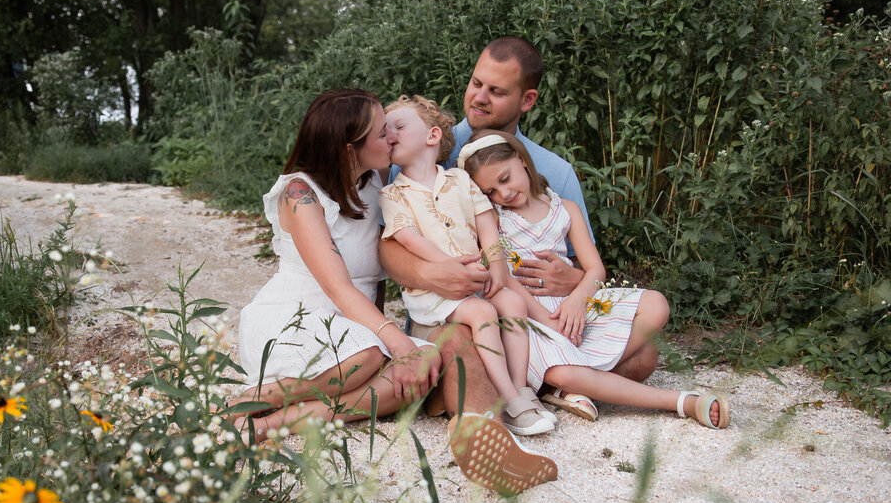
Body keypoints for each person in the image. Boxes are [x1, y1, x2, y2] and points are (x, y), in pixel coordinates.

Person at [380, 36, 661, 425]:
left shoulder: (553, 171)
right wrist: (430, 272)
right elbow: (386, 247)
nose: (479, 97)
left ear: (526, 101)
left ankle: (530, 380)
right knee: (467, 342)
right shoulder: (421, 149)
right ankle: (488, 426)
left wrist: (573, 280)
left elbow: (584, 266)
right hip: (460, 308)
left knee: (645, 357)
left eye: (497, 91)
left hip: (536, 314)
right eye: (476, 83)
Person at [462, 131, 730, 428]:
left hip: (573, 303)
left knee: (657, 305)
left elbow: (595, 270)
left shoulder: (565, 209)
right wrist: (547, 320)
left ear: (522, 161)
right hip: (530, 316)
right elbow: (506, 279)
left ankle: (577, 386)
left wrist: (577, 301)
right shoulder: (495, 219)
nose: (503, 194)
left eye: (505, 178)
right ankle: (681, 401)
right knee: (563, 372)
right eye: (490, 192)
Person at [230, 89, 442, 441]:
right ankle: (260, 397)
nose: (391, 137)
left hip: (354, 325)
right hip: (294, 319)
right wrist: (397, 344)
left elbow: (372, 281)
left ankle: (273, 423)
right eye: (381, 133)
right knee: (369, 356)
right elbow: (337, 286)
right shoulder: (300, 193)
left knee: (422, 370)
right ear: (349, 149)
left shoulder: (375, 181)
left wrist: (401, 354)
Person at [379, 95, 553, 436]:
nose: (390, 135)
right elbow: (409, 238)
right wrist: (451, 268)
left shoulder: (460, 179)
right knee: (483, 313)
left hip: (477, 279)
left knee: (513, 302)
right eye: (385, 132)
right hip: (434, 290)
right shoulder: (393, 194)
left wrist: (496, 262)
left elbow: (487, 222)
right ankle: (507, 397)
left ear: (431, 137)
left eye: (398, 127)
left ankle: (520, 391)